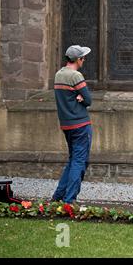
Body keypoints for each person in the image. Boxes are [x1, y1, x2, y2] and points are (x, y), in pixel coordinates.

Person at [52, 45, 93, 203]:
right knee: (79, 161)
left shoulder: (58, 75)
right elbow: (88, 100)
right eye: (83, 58)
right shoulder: (76, 76)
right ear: (78, 60)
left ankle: (58, 196)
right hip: (80, 124)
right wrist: (81, 97)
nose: (84, 60)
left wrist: (79, 96)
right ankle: (69, 200)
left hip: (66, 124)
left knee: (73, 160)